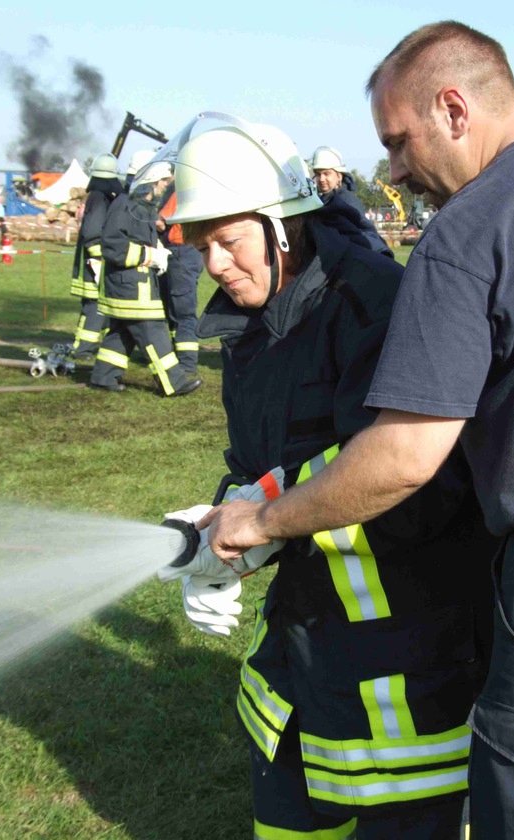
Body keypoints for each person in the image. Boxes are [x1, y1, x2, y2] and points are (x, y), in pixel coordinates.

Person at [201, 21, 514, 840]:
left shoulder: (470, 228)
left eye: (397, 141)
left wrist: (261, 519)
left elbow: (406, 456)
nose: (391, 172)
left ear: (455, 108)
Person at [160, 112, 496, 839]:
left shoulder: (374, 303)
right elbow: (256, 465)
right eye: (200, 244)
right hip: (304, 649)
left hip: (407, 661)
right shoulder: (248, 325)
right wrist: (219, 532)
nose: (214, 264)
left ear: (283, 227)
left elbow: (416, 481)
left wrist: (262, 518)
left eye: (229, 240)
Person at [90, 161, 199, 396]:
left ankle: (104, 376)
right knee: (155, 331)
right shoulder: (125, 206)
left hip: (131, 284)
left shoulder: (141, 207)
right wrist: (151, 256)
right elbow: (112, 247)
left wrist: (159, 250)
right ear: (150, 181)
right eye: (161, 183)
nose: (163, 188)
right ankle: (174, 383)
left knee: (122, 332)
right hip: (129, 286)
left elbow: (141, 239)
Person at [70, 153, 122, 356]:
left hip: (96, 262)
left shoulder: (98, 196)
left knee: (100, 307)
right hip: (94, 265)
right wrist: (100, 260)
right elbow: (92, 234)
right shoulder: (100, 198)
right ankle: (82, 348)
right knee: (93, 308)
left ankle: (92, 347)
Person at [158, 185, 203, 393]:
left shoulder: (183, 189)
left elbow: (161, 221)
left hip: (181, 250)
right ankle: (178, 356)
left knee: (182, 309)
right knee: (177, 307)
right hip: (190, 251)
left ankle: (186, 363)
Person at [310, 146, 366, 214]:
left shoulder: (347, 202)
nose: (321, 179)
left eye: (326, 174)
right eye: (318, 174)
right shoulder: (322, 202)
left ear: (339, 176)